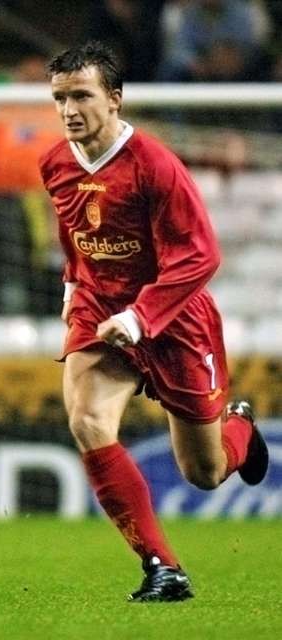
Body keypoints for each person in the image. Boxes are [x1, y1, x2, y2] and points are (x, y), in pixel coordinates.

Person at [39, 41, 269, 603]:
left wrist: (141, 317)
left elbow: (201, 255)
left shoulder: (155, 165)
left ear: (114, 100)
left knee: (205, 472)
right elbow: (75, 236)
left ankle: (237, 429)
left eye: (82, 96)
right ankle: (163, 567)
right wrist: (73, 288)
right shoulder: (54, 163)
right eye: (60, 98)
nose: (70, 109)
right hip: (99, 311)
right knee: (88, 421)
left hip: (172, 320)